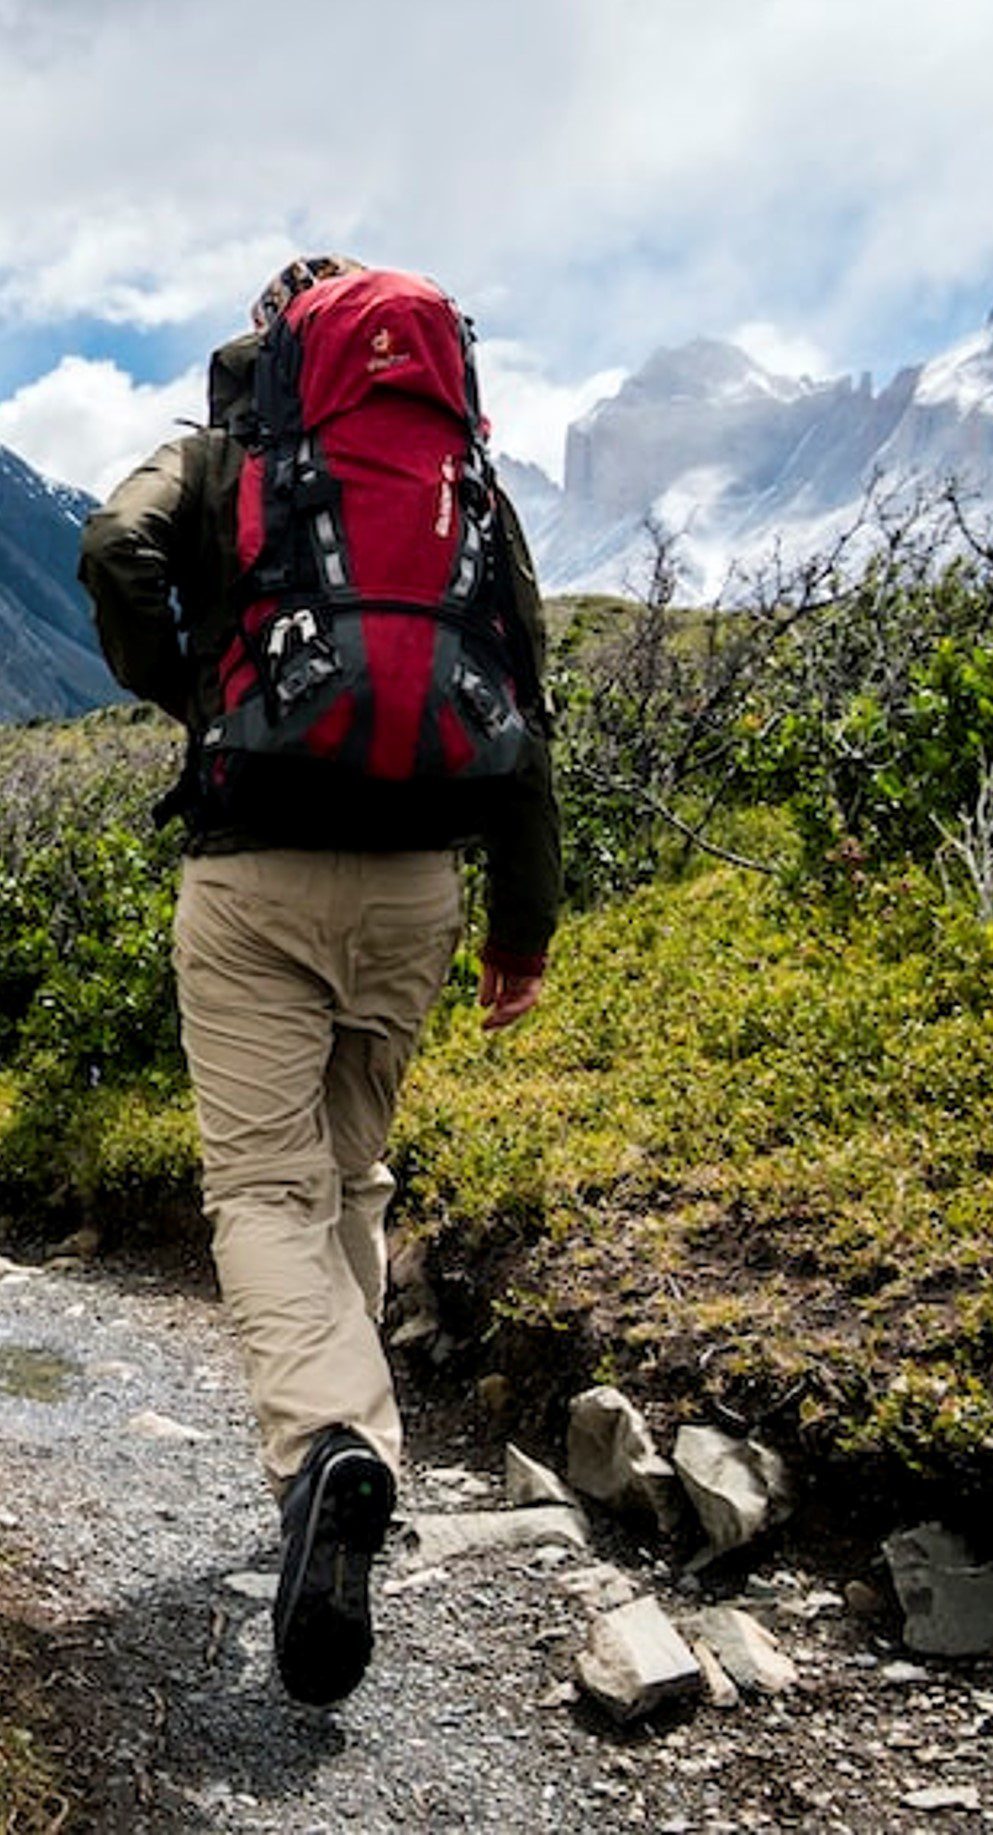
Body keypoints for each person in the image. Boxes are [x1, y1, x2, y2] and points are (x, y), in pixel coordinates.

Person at [78, 256, 560, 1708]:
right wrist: (521, 931)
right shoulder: (459, 484)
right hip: (418, 884)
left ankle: (328, 1453)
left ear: (279, 344)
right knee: (353, 1177)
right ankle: (349, 1466)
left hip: (255, 868)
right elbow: (524, 694)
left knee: (263, 1192)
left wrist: (193, 691)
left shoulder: (227, 455)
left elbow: (113, 548)